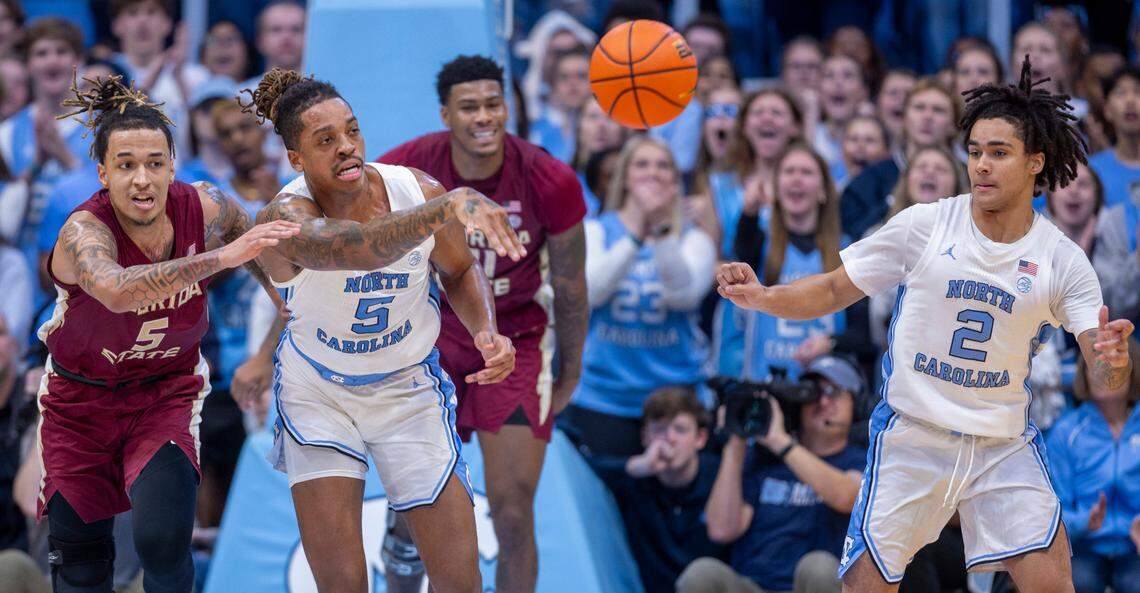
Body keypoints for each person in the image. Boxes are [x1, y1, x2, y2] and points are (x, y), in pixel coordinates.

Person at [716, 57, 1136, 593]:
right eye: (975, 151)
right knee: (863, 587)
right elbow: (830, 289)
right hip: (914, 434)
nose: (982, 164)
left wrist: (1110, 361)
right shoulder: (926, 224)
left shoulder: (1062, 258)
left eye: (999, 153)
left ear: (1036, 162)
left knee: (1053, 582)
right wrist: (764, 296)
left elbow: (1103, 373)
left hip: (999, 444)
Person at [241, 67, 526, 593]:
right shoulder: (287, 214)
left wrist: (486, 329)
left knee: (460, 581)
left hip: (407, 386)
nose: (347, 147)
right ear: (297, 159)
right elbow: (350, 249)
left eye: (352, 130)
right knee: (344, 585)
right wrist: (442, 210)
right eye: (326, 140)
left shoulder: (415, 190)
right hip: (319, 391)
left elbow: (460, 270)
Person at [38, 74, 299, 593]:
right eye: (126, 165)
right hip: (79, 404)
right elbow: (114, 290)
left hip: (164, 393)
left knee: (162, 541)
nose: (142, 179)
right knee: (82, 564)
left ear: (173, 166)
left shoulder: (204, 206)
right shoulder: (83, 232)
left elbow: (258, 249)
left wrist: (281, 301)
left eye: (155, 164)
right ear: (103, 173)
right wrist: (218, 258)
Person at [377, 54, 588, 593]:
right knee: (413, 510)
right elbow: (359, 242)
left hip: (515, 341)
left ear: (508, 108)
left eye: (494, 104)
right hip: (430, 338)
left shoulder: (549, 179)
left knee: (514, 512)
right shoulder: (405, 170)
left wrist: (570, 371)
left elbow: (570, 285)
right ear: (446, 114)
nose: (483, 116)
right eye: (468, 106)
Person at [561, 136, 714, 458]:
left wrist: (660, 231)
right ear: (625, 176)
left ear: (675, 179)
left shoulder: (695, 239)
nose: (653, 172)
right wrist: (635, 234)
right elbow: (592, 291)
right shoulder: (594, 231)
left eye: (663, 165)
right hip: (603, 398)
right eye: (642, 164)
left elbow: (682, 296)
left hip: (676, 401)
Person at [677, 355, 867, 593]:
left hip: (813, 585)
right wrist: (736, 442)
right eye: (813, 392)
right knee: (701, 574)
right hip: (755, 585)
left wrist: (781, 442)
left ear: (856, 407)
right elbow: (721, 530)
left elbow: (847, 497)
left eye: (834, 392)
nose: (823, 401)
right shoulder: (764, 458)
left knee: (817, 567)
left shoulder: (861, 460)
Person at [587, 386, 729, 593]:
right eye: (660, 429)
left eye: (680, 430)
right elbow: (579, 466)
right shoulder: (633, 480)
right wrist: (637, 466)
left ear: (700, 438)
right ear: (644, 436)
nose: (669, 439)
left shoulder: (721, 477)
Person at [1046, 339, 1140, 593]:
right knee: (1078, 582)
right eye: (1094, 366)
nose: (1101, 374)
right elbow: (1053, 513)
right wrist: (1085, 521)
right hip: (1084, 545)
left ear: (1132, 371)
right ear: (1083, 375)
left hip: (1134, 546)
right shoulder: (1066, 433)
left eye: (1112, 365)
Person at [840, 78, 960, 239]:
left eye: (938, 110)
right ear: (904, 119)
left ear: (953, 125)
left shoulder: (970, 176)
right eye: (919, 108)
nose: (927, 116)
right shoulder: (870, 179)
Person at [1087, 67, 1140, 208]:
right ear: (1107, 110)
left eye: (1138, 92)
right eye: (1121, 93)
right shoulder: (1092, 172)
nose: (1130, 101)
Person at [241, 0, 305, 89]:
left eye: (296, 29)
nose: (286, 37)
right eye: (276, 29)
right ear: (260, 41)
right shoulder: (240, 97)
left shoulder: (327, 96)